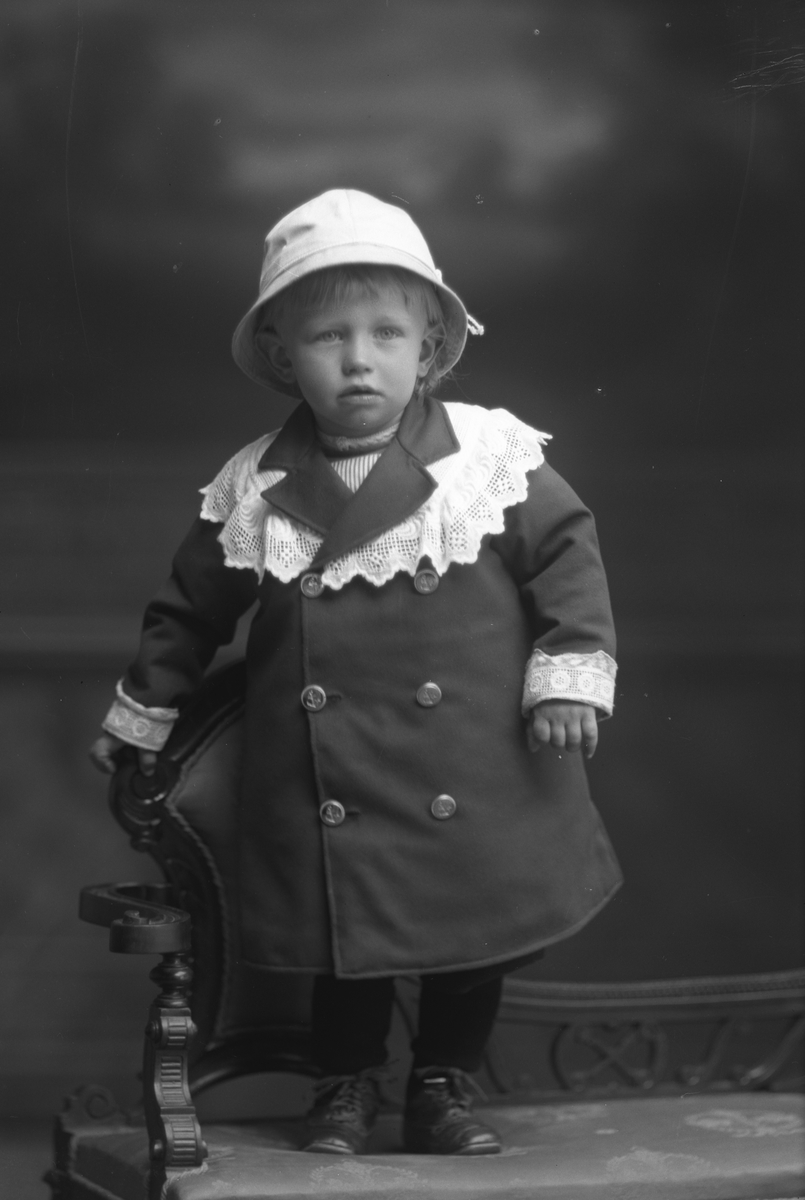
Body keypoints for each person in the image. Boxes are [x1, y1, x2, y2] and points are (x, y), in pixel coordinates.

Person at [89, 189, 621, 1157]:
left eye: (385, 333)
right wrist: (142, 713)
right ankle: (342, 1087)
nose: (359, 358)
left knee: (469, 939)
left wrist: (567, 676)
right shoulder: (256, 484)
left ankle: (440, 1085)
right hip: (329, 781)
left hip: (474, 758)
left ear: (430, 349)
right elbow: (188, 608)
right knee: (348, 942)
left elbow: (566, 559)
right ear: (288, 356)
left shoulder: (487, 457)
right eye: (329, 337)